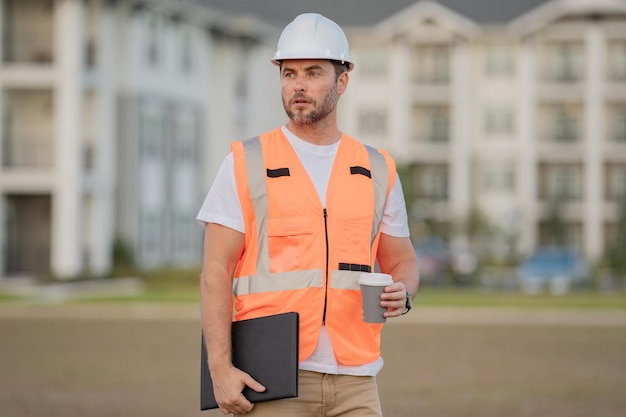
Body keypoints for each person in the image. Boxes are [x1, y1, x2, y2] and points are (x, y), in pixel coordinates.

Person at [197, 12, 419, 417]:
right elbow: (215, 271)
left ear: (343, 80)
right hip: (272, 378)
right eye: (289, 73)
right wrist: (220, 369)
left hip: (358, 379)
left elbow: (402, 262)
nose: (298, 84)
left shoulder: (378, 169)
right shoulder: (245, 163)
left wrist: (403, 294)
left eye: (313, 72)